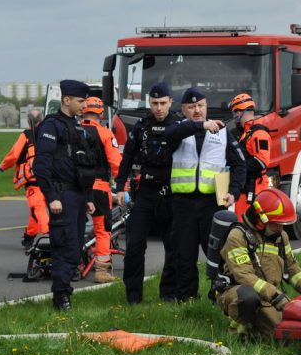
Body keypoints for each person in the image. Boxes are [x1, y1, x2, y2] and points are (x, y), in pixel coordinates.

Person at [115, 82, 224, 303]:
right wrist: (119, 187)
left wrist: (202, 124)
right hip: (145, 191)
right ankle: (133, 298)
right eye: (154, 103)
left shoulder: (179, 124)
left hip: (170, 193)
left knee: (174, 248)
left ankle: (169, 294)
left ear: (170, 103)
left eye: (163, 103)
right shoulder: (141, 126)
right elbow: (127, 157)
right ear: (149, 103)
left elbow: (179, 131)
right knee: (135, 244)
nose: (158, 108)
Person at [171, 87, 247, 301]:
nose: (197, 110)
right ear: (184, 109)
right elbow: (170, 136)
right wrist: (198, 126)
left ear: (206, 106)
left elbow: (239, 164)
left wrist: (234, 192)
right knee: (184, 254)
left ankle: (219, 295)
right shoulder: (178, 129)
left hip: (212, 203)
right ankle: (186, 298)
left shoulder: (222, 131)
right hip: (183, 203)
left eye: (201, 106)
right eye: (192, 106)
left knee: (217, 252)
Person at [33, 80, 100, 311]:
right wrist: (52, 196)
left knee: (76, 247)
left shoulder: (78, 128)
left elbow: (85, 165)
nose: (84, 105)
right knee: (65, 247)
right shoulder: (51, 127)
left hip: (79, 196)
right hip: (62, 196)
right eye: (81, 101)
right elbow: (41, 167)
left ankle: (64, 291)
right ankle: (60, 295)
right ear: (66, 100)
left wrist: (89, 196)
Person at [216, 189, 301, 339]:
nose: (281, 229)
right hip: (236, 292)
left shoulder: (281, 237)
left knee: (289, 332)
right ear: (261, 221)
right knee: (248, 298)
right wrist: (275, 295)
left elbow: (292, 268)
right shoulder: (238, 236)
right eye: (276, 224)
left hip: (269, 296)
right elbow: (244, 276)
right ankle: (238, 334)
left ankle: (258, 329)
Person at [81, 97, 122, 283]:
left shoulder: (73, 131)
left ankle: (73, 264)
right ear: (101, 113)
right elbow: (116, 163)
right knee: (102, 230)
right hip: (99, 187)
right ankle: (102, 271)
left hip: (74, 188)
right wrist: (123, 187)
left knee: (74, 228)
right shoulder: (105, 134)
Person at [0, 109, 48, 251]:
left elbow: (14, 155)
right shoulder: (48, 134)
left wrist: (3, 166)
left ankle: (48, 236)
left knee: (38, 209)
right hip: (48, 179)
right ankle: (29, 237)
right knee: (37, 210)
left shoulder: (26, 135)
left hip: (33, 181)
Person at [229, 93, 271, 219]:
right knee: (241, 223)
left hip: (255, 191)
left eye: (236, 112)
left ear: (241, 112)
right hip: (245, 188)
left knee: (250, 224)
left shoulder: (259, 133)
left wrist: (238, 167)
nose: (235, 116)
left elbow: (262, 161)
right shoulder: (245, 133)